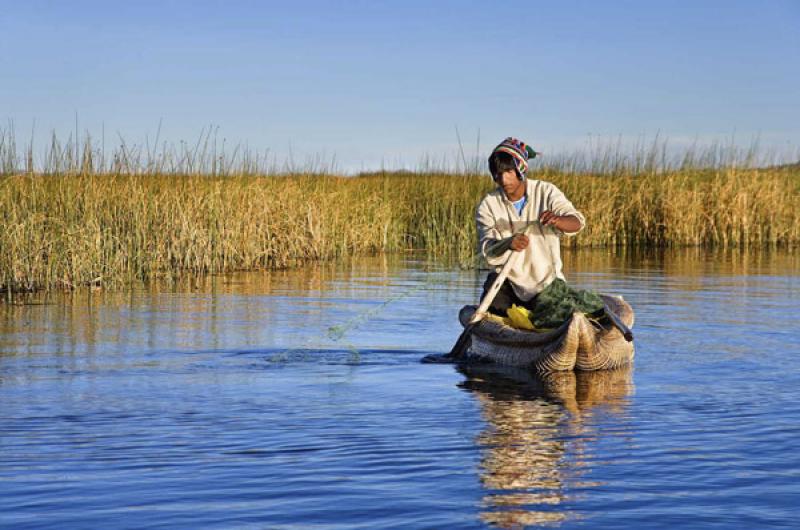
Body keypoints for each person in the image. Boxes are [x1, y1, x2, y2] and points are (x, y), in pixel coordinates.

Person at [476, 137, 585, 316]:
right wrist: (508, 244)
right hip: (506, 282)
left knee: (558, 316)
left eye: (509, 171)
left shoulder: (546, 192)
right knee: (493, 311)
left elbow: (577, 222)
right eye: (498, 174)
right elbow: (487, 248)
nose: (504, 179)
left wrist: (557, 220)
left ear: (520, 170)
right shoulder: (488, 205)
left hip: (546, 283)